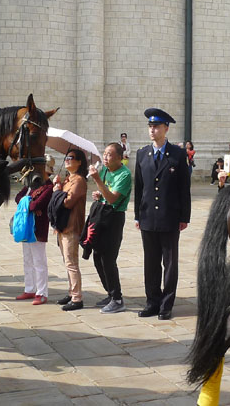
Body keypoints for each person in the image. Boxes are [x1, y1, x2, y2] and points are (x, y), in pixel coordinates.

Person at [133, 108, 190, 320]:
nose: (152, 130)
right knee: (151, 262)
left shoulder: (177, 154)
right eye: (150, 126)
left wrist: (184, 216)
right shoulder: (142, 154)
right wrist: (138, 215)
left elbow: (184, 188)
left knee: (170, 263)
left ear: (166, 129)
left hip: (169, 216)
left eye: (156, 126)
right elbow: (139, 187)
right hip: (148, 217)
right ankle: (152, 302)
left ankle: (166, 304)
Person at [88, 143, 132, 314]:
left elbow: (113, 199)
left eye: (109, 155)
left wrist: (98, 181)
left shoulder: (124, 174)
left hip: (114, 217)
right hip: (102, 214)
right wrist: (98, 193)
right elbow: (106, 193)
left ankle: (118, 299)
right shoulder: (105, 170)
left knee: (108, 258)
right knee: (97, 256)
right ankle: (110, 292)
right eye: (104, 154)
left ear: (119, 157)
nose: (105, 158)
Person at [14, 156, 55, 305]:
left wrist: (27, 204)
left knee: (39, 261)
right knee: (27, 259)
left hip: (38, 227)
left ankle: (42, 292)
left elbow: (35, 206)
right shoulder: (32, 185)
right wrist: (28, 203)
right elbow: (18, 197)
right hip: (26, 226)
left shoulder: (49, 187)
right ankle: (29, 288)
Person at [53, 149, 88, 311]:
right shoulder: (68, 180)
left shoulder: (79, 180)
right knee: (67, 262)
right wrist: (58, 186)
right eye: (66, 157)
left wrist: (57, 192)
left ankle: (77, 298)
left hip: (72, 226)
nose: (67, 160)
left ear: (79, 162)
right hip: (62, 226)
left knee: (71, 263)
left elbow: (68, 202)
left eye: (71, 158)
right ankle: (71, 291)